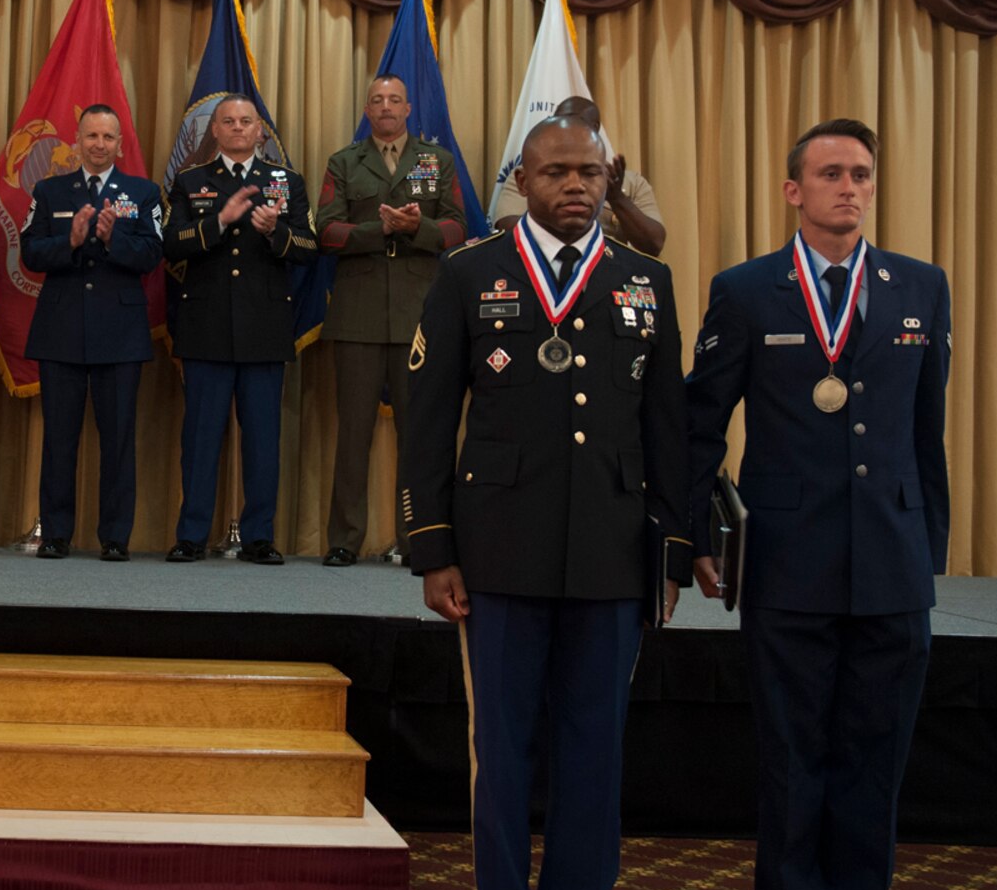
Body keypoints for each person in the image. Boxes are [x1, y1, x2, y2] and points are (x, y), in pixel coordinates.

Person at [402, 115, 689, 890]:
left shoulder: (646, 280)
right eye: (557, 171)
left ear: (609, 182)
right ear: (520, 180)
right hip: (498, 552)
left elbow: (667, 428)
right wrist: (431, 548)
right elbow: (424, 419)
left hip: (610, 552)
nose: (576, 185)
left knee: (594, 746)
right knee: (505, 750)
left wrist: (673, 548)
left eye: (590, 173)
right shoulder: (467, 274)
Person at [685, 118, 950, 890]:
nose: (851, 188)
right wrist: (698, 536)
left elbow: (926, 433)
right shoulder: (748, 290)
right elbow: (699, 424)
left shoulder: (920, 287)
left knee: (876, 755)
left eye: (863, 175)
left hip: (892, 563)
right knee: (796, 755)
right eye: (832, 173)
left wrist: (929, 548)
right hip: (789, 562)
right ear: (793, 191)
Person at [316, 74, 467, 567]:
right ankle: (344, 540)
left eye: (394, 100)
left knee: (419, 435)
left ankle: (416, 537)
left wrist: (415, 227)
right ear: (367, 108)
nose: (385, 107)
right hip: (357, 315)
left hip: (418, 316)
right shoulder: (344, 161)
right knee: (352, 436)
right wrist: (376, 229)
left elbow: (458, 229)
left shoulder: (437, 160)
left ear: (407, 108)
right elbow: (327, 231)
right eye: (377, 100)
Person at [161, 95, 316, 565]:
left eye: (245, 121)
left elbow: (310, 247)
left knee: (263, 440)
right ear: (215, 131)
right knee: (201, 438)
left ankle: (258, 538)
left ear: (260, 132)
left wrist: (275, 232)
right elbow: (170, 245)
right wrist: (219, 221)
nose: (236, 128)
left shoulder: (286, 182)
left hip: (264, 327)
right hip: (206, 326)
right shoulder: (190, 181)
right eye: (227, 121)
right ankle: (191, 536)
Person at [19, 104, 163, 561]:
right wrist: (73, 241)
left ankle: (116, 537)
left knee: (118, 439)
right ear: (77, 140)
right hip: (61, 330)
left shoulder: (143, 192)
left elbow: (152, 254)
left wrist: (110, 239)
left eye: (108, 138)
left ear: (121, 144)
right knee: (59, 438)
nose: (99, 145)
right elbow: (30, 253)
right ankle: (56, 533)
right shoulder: (50, 189)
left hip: (119, 333)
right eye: (92, 136)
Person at [493, 96, 665, 257]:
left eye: (589, 174)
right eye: (560, 122)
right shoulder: (534, 173)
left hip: (607, 269)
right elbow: (507, 227)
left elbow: (653, 244)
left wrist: (617, 198)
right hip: (536, 268)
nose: (567, 128)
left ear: (595, 127)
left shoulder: (630, 182)